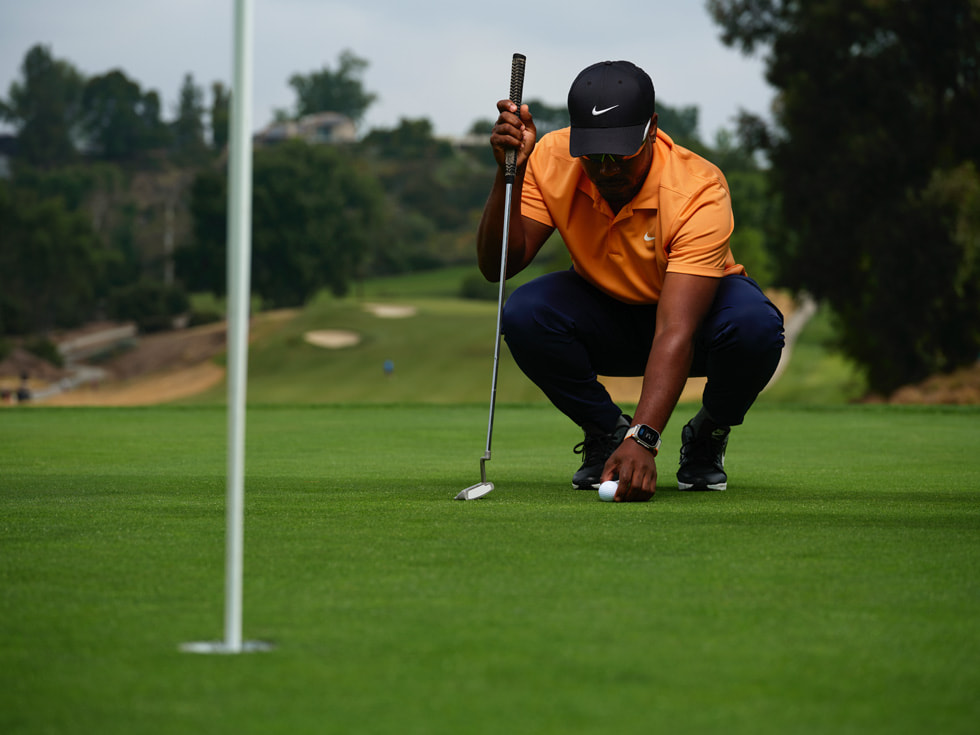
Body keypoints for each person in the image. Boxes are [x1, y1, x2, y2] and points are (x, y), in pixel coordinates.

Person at [478, 60, 785, 502]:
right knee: (526, 312)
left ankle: (708, 431)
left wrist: (646, 438)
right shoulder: (552, 156)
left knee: (756, 328)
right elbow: (497, 266)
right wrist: (508, 173)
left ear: (652, 129)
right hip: (606, 313)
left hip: (696, 323)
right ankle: (606, 431)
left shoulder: (698, 189)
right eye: (593, 156)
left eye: (619, 154)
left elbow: (676, 329)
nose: (605, 170)